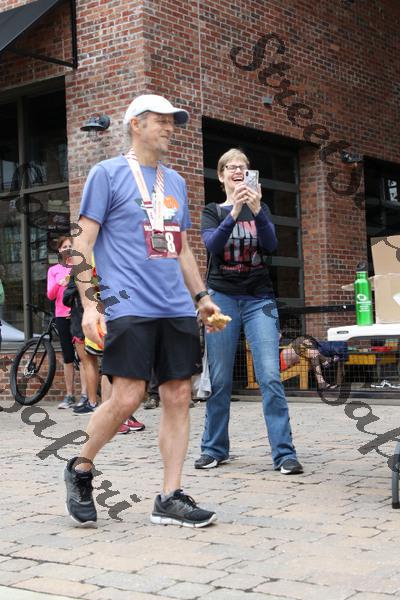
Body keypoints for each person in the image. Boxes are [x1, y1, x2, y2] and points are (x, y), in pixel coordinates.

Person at [64, 93, 225, 528]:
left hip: (175, 306)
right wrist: (90, 304)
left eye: (174, 121)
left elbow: (181, 248)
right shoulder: (107, 174)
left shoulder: (175, 182)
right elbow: (81, 244)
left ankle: (170, 496)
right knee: (128, 396)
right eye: (162, 120)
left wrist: (201, 297)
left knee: (178, 395)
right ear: (136, 124)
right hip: (128, 304)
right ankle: (81, 466)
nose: (170, 128)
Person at [194, 148, 303, 475]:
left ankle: (284, 454)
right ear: (222, 175)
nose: (237, 170)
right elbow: (213, 245)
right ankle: (214, 449)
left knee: (270, 376)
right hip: (221, 298)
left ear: (250, 175)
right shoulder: (212, 211)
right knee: (220, 378)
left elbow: (271, 245)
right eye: (231, 166)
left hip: (259, 300)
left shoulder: (261, 209)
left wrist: (256, 211)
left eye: (243, 167)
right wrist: (235, 211)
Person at [47, 236, 82, 409]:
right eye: (64, 246)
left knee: (84, 356)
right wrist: (59, 283)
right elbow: (50, 295)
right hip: (62, 315)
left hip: (78, 314)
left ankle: (86, 395)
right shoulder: (54, 270)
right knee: (68, 356)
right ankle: (69, 395)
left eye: (70, 246)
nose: (67, 248)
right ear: (59, 250)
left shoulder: (79, 267)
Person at [280, 336, 347, 390]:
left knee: (310, 349)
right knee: (311, 350)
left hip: (291, 353)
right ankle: (325, 361)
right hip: (284, 357)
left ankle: (322, 380)